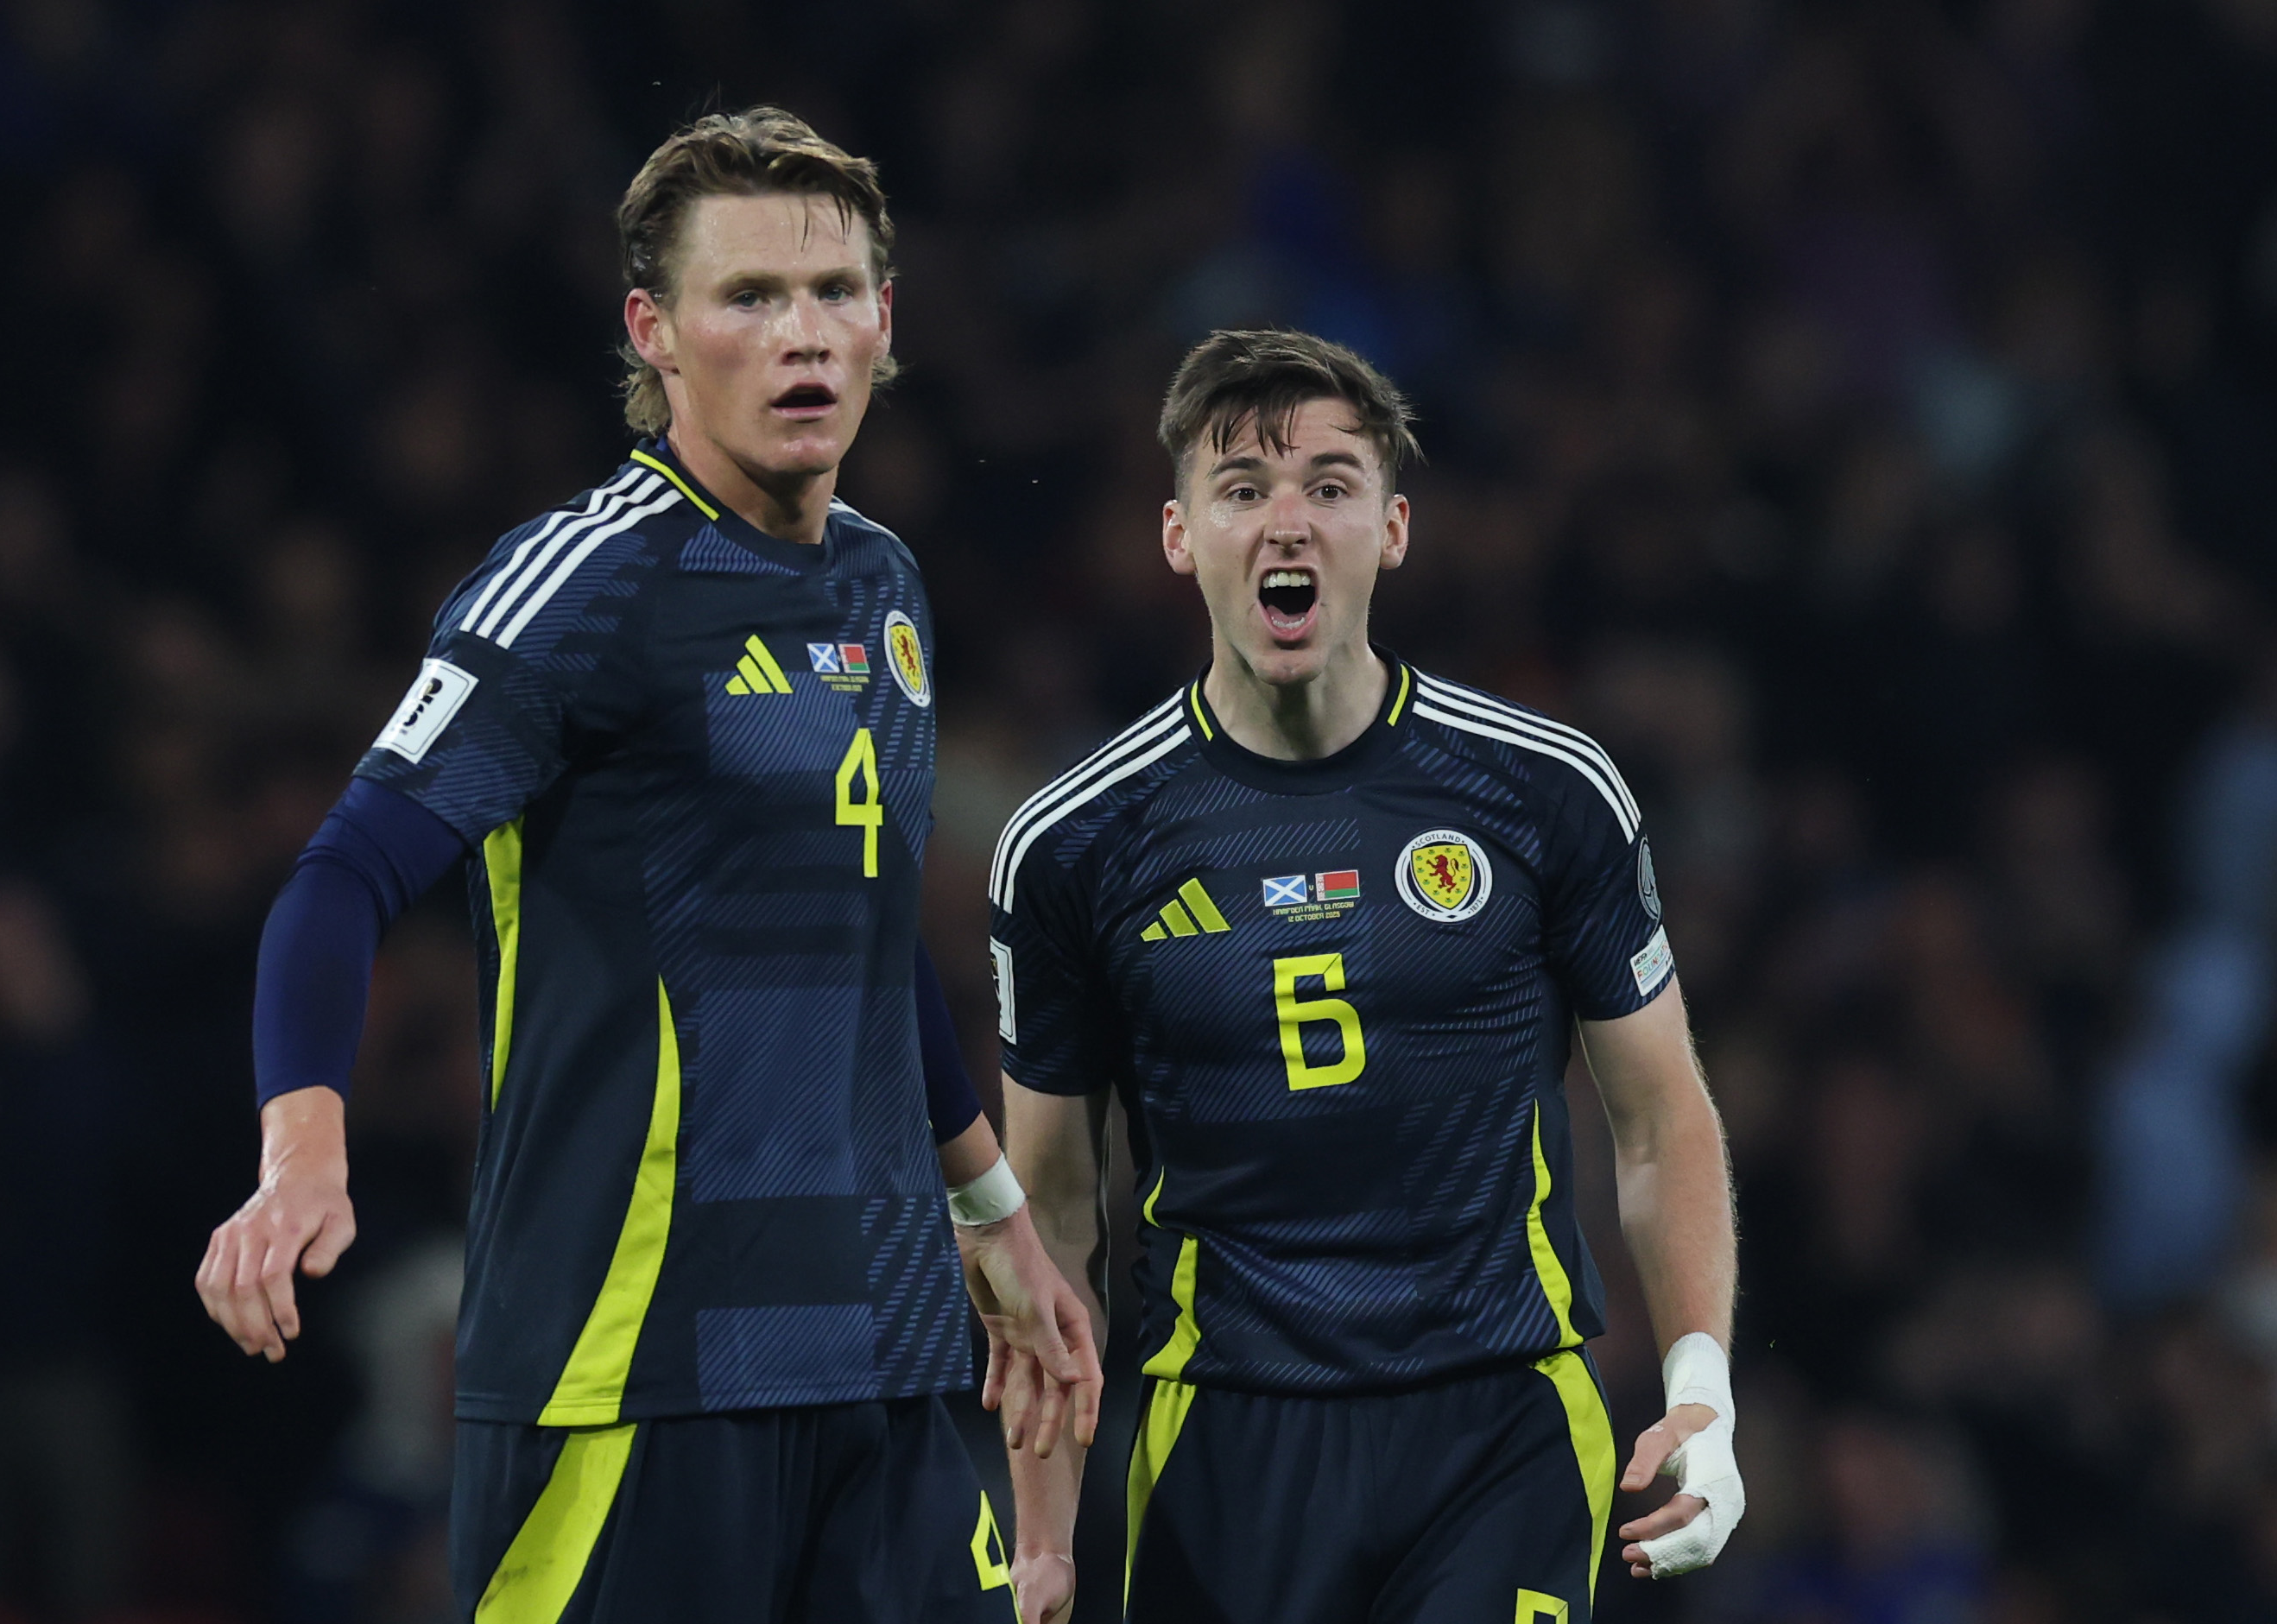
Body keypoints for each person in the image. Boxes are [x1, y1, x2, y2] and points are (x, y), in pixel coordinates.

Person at [194, 107, 1097, 1623]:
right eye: (749, 296)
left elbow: (868, 939)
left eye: (833, 291)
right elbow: (340, 879)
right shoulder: (580, 588)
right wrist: (302, 1147)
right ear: (653, 333)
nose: (801, 333)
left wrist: (992, 1213)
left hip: (884, 1358)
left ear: (885, 320)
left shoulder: (884, 583)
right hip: (636, 1369)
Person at [987, 330, 1742, 1623]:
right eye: (1242, 488)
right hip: (1224, 1445)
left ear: (1393, 529)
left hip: (1499, 1421)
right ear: (1180, 536)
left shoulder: (1544, 791)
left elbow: (1660, 1116)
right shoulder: (1073, 846)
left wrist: (1703, 1391)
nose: (1288, 522)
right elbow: (1052, 1212)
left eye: (1330, 485)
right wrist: (1044, 1534)